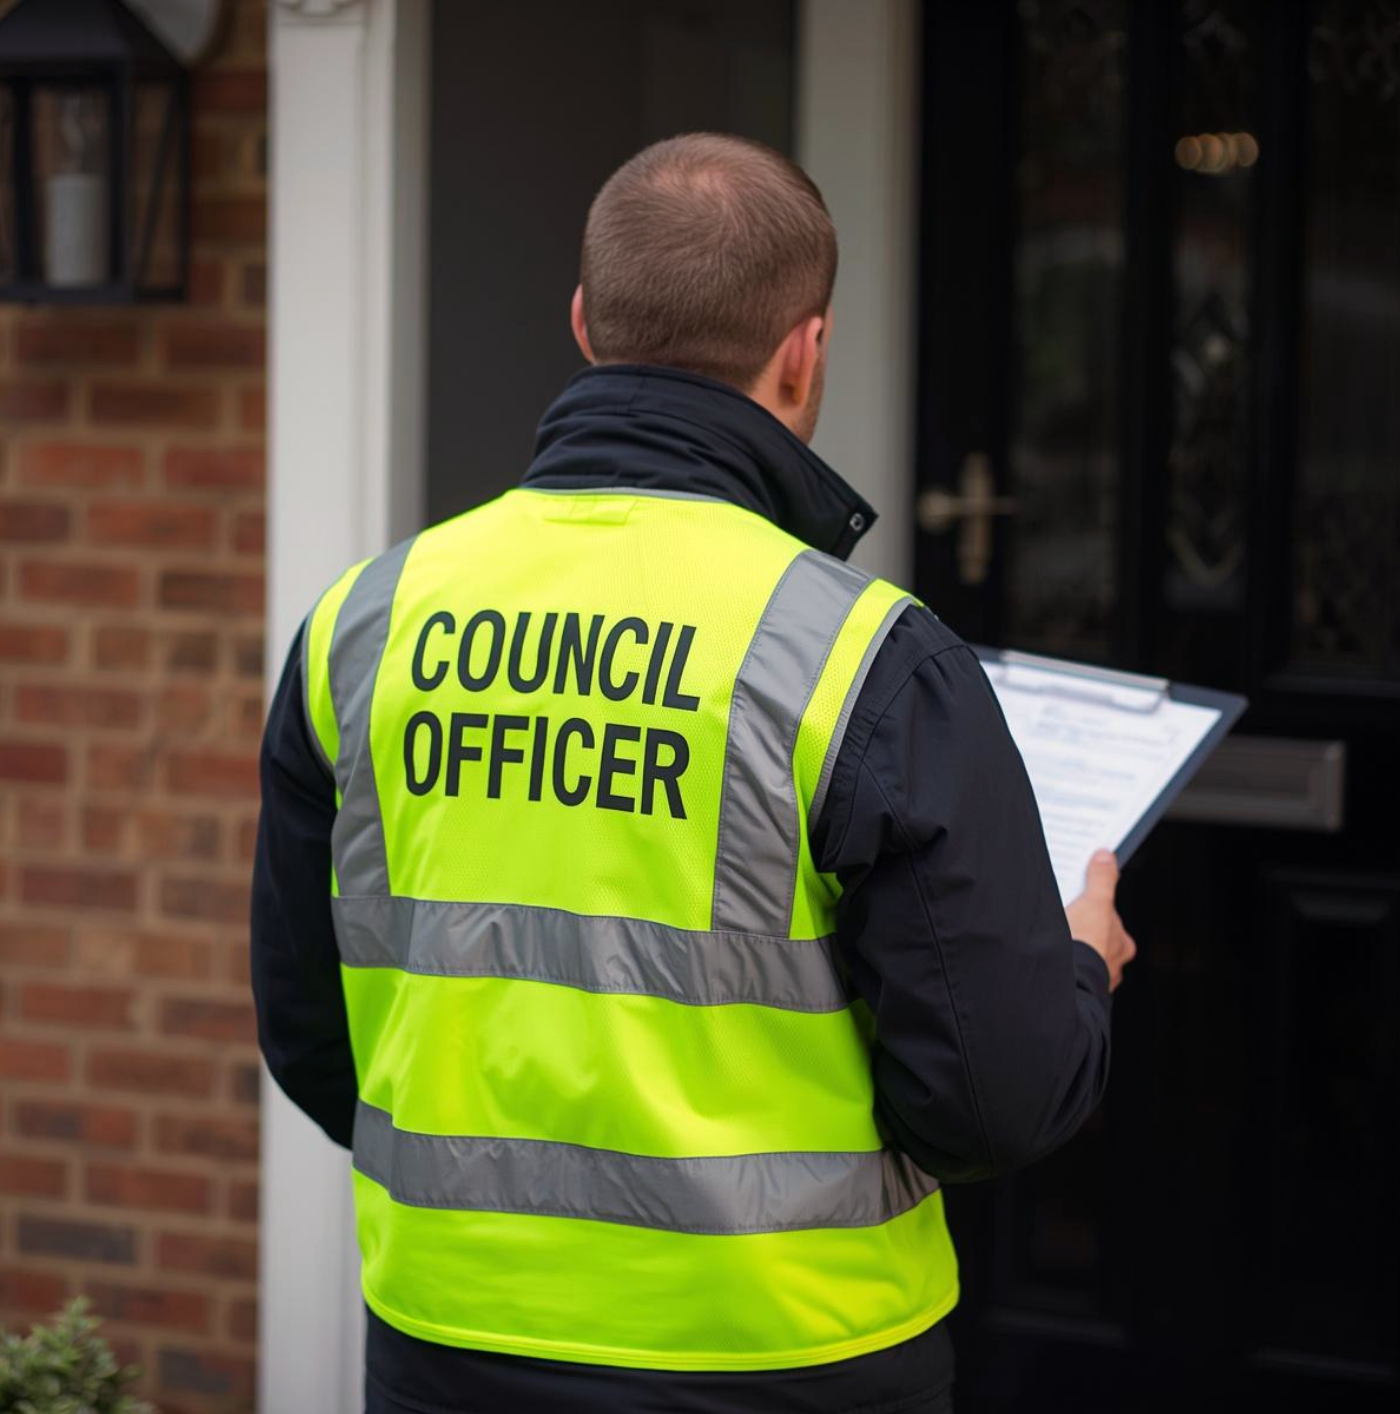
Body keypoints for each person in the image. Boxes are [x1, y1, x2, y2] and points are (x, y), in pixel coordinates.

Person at [251, 133, 1135, 1414]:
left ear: (581, 324)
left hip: (449, 1345)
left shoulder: (365, 622)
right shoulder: (860, 660)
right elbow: (991, 1101)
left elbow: (308, 1026)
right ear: (804, 351)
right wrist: (1075, 967)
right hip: (789, 1358)